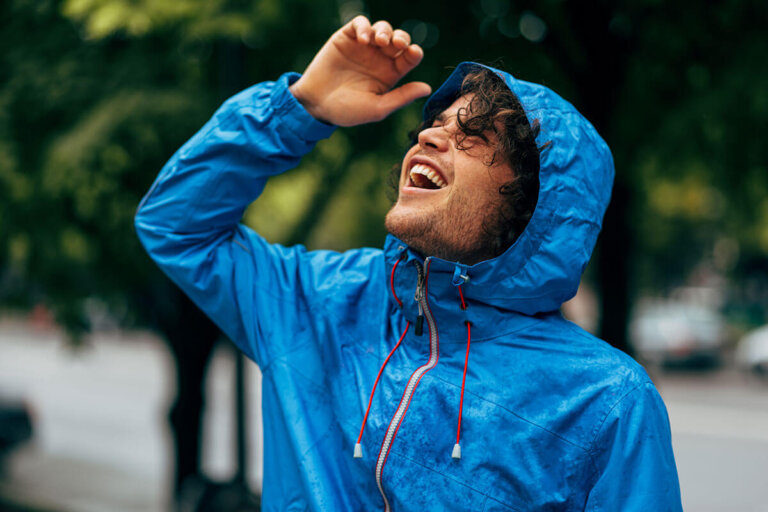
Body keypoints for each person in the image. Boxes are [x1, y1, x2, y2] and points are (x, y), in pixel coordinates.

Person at [135, 16, 682, 512]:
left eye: (472, 137)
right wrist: (298, 109)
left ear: (533, 207)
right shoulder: (319, 301)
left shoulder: (607, 401)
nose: (430, 134)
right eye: (436, 123)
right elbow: (176, 226)